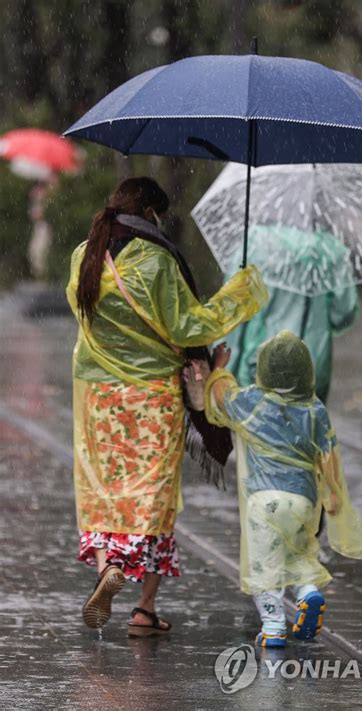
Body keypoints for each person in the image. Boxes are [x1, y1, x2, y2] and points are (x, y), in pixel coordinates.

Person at [66, 176, 267, 637]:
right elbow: (187, 326)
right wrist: (240, 293)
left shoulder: (84, 255)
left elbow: (86, 318)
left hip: (99, 397)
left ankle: (105, 569)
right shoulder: (157, 261)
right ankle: (144, 609)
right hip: (152, 398)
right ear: (152, 214)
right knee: (153, 499)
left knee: (104, 491)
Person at [204, 331, 362, 648]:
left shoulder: (252, 403)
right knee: (298, 554)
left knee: (262, 565)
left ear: (264, 370)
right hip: (303, 503)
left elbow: (222, 395)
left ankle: (273, 626)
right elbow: (328, 454)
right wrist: (333, 495)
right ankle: (309, 594)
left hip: (263, 502)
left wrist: (219, 367)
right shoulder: (315, 410)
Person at [226, 283, 359, 404]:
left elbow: (231, 317)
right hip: (311, 364)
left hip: (259, 363)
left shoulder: (251, 257)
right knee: (303, 424)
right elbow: (343, 316)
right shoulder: (328, 259)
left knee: (258, 423)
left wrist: (226, 374)